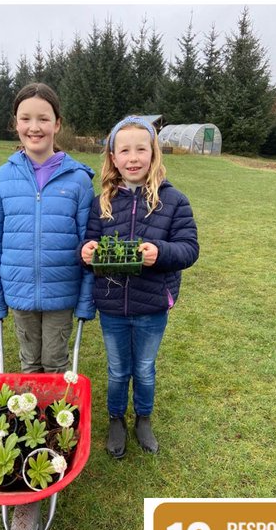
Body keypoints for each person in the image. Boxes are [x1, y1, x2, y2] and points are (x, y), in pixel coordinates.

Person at [81, 116, 199, 458]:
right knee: (118, 369)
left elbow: (189, 249)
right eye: (125, 151)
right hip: (112, 304)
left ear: (153, 153)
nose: (133, 158)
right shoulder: (101, 201)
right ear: (113, 158)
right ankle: (116, 419)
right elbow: (89, 244)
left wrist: (160, 253)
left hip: (152, 305)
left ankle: (143, 418)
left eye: (140, 149)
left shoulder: (173, 200)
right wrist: (85, 252)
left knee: (144, 368)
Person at [0, 82, 95, 373]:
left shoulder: (79, 180)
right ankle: (31, 418)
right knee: (29, 364)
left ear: (57, 124)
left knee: (55, 364)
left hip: (62, 292)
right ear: (15, 123)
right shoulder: (2, 178)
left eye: (43, 119)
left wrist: (86, 298)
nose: (35, 127)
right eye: (25, 118)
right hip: (18, 292)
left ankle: (58, 419)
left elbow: (89, 246)